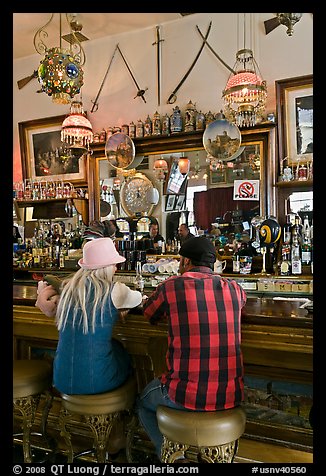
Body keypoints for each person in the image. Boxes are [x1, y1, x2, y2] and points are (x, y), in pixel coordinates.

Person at [136, 235, 247, 461]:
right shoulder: (235, 289)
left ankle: (174, 460)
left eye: (180, 261)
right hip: (229, 395)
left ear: (186, 262)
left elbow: (149, 313)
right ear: (212, 263)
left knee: (143, 404)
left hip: (183, 395)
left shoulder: (172, 287)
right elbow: (241, 303)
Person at [35, 237, 142, 395]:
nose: (116, 269)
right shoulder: (116, 290)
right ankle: (129, 414)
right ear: (107, 267)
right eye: (114, 264)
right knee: (123, 353)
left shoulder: (68, 289)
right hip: (98, 381)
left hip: (60, 380)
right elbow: (138, 298)